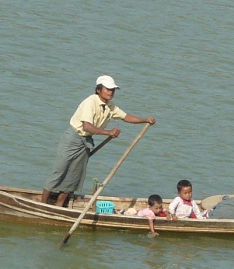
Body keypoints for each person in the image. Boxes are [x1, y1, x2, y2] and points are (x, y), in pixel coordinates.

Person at [41, 75, 156, 207]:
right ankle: (43, 204)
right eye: (108, 89)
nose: (111, 92)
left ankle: (59, 206)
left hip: (86, 141)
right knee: (59, 171)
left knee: (73, 176)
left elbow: (126, 117)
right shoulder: (90, 102)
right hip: (73, 138)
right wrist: (108, 132)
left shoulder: (110, 106)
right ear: (98, 90)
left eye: (113, 90)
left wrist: (145, 120)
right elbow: (86, 126)